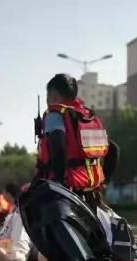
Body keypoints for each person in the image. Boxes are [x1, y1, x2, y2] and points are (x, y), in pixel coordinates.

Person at [34, 73, 109, 210]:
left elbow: (58, 146)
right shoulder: (88, 118)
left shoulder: (54, 115)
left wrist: (59, 183)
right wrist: (104, 180)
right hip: (92, 193)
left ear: (54, 96)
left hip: (67, 192)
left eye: (48, 95)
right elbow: (114, 150)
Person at [0, 183, 36, 261]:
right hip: (12, 250)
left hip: (18, 255)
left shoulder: (21, 216)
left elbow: (18, 254)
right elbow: (6, 238)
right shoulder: (16, 212)